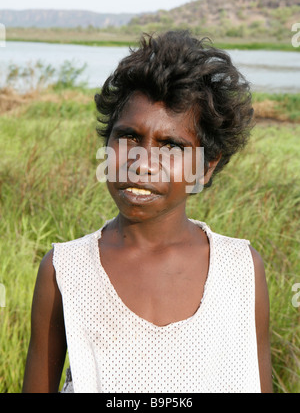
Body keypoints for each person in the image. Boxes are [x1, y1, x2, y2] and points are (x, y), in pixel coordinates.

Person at [22, 31, 272, 393]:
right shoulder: (64, 270)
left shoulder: (241, 269)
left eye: (171, 146)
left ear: (206, 167)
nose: (141, 164)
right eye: (127, 138)